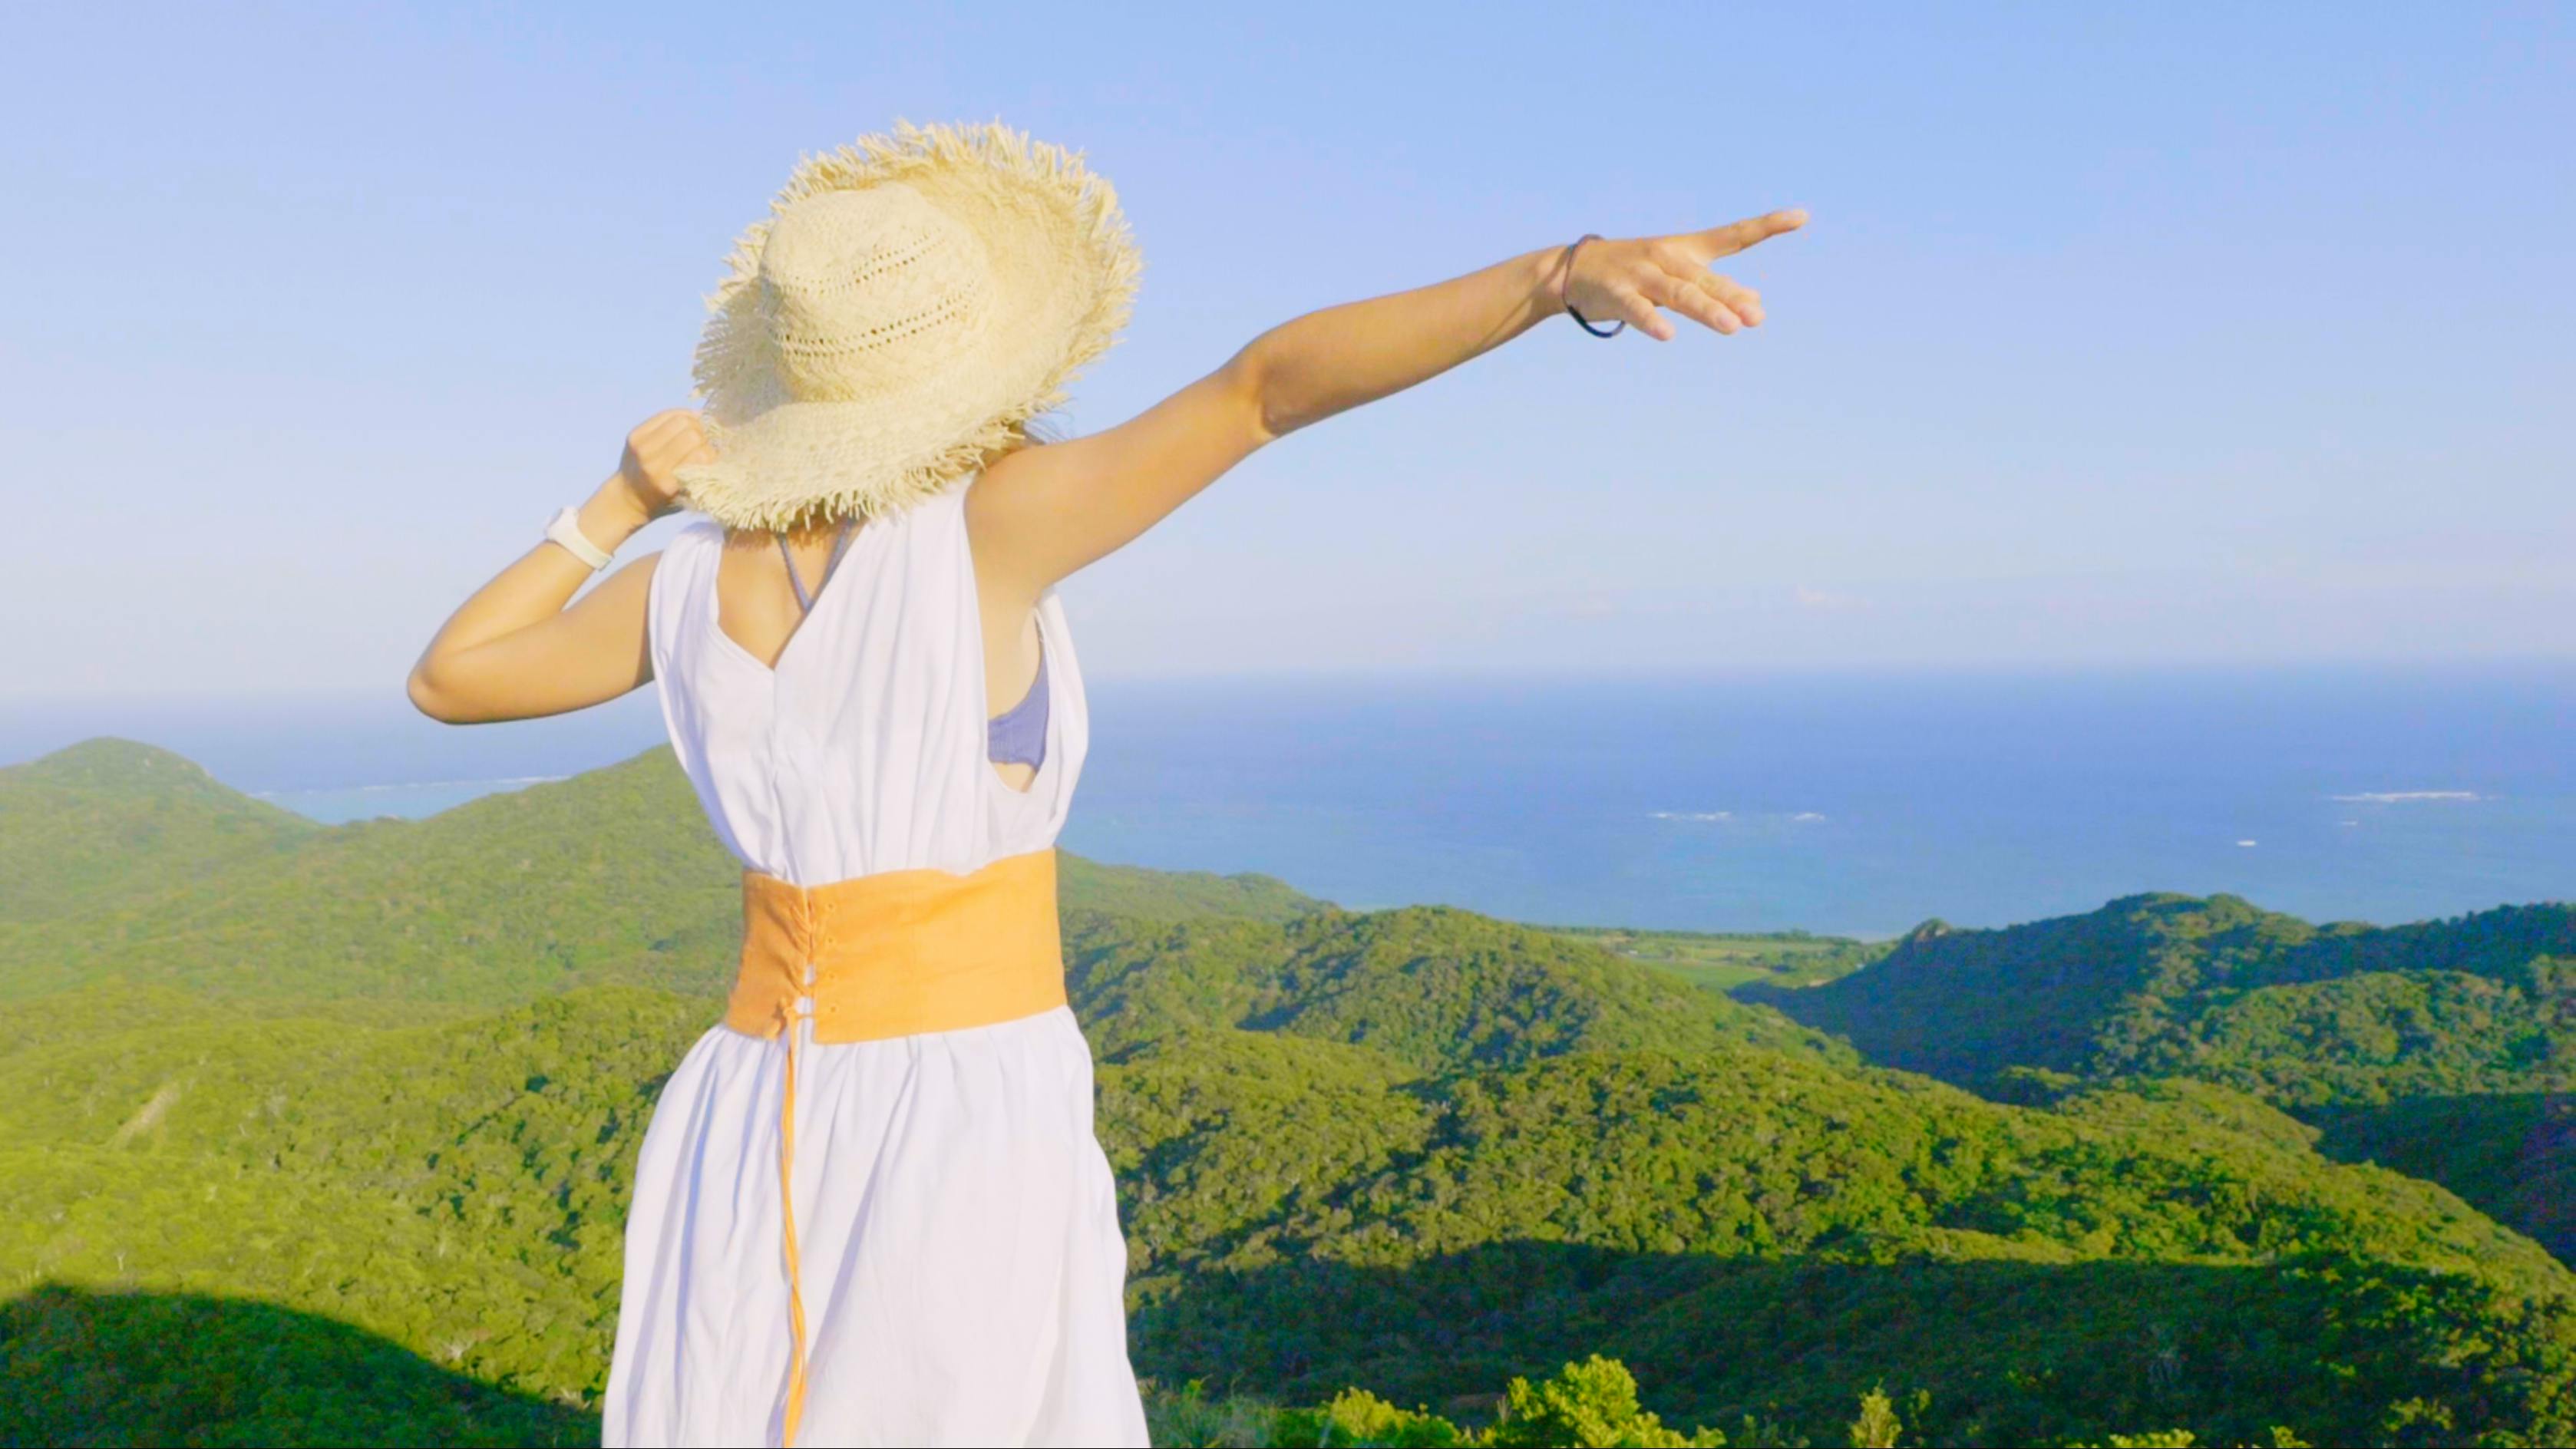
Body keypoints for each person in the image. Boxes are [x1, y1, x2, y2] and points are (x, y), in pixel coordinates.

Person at [406, 117, 1803, 1449]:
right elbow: (1262, 391)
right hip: (956, 1108)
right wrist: (1557, 279)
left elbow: (452, 678)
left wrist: (621, 502)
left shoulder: (686, 583)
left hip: (750, 1098)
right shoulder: (987, 527)